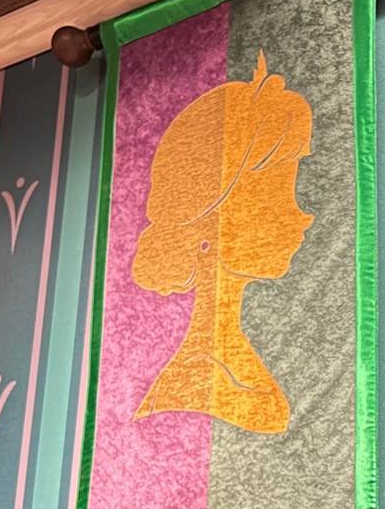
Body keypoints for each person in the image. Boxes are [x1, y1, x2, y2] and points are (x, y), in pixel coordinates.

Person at [131, 51, 313, 433]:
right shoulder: (199, 379)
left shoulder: (230, 360)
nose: (301, 215)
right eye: (275, 196)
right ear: (206, 223)